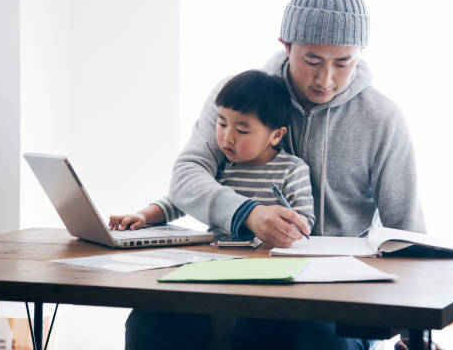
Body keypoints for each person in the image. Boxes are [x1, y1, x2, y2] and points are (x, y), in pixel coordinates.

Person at [125, 0, 429, 350]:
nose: (327, 80)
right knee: (152, 320)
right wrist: (249, 213)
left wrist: (414, 331)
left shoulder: (383, 119)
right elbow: (187, 176)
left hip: (337, 297)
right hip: (232, 280)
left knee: (301, 335)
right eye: (313, 60)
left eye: (344, 63)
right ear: (286, 45)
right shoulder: (238, 99)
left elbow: (406, 231)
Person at [109, 69, 315, 236]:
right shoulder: (221, 166)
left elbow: (306, 220)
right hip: (218, 259)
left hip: (270, 261)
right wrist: (143, 216)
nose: (227, 138)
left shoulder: (292, 170)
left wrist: (294, 228)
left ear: (276, 135)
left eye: (242, 130)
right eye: (222, 123)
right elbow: (182, 200)